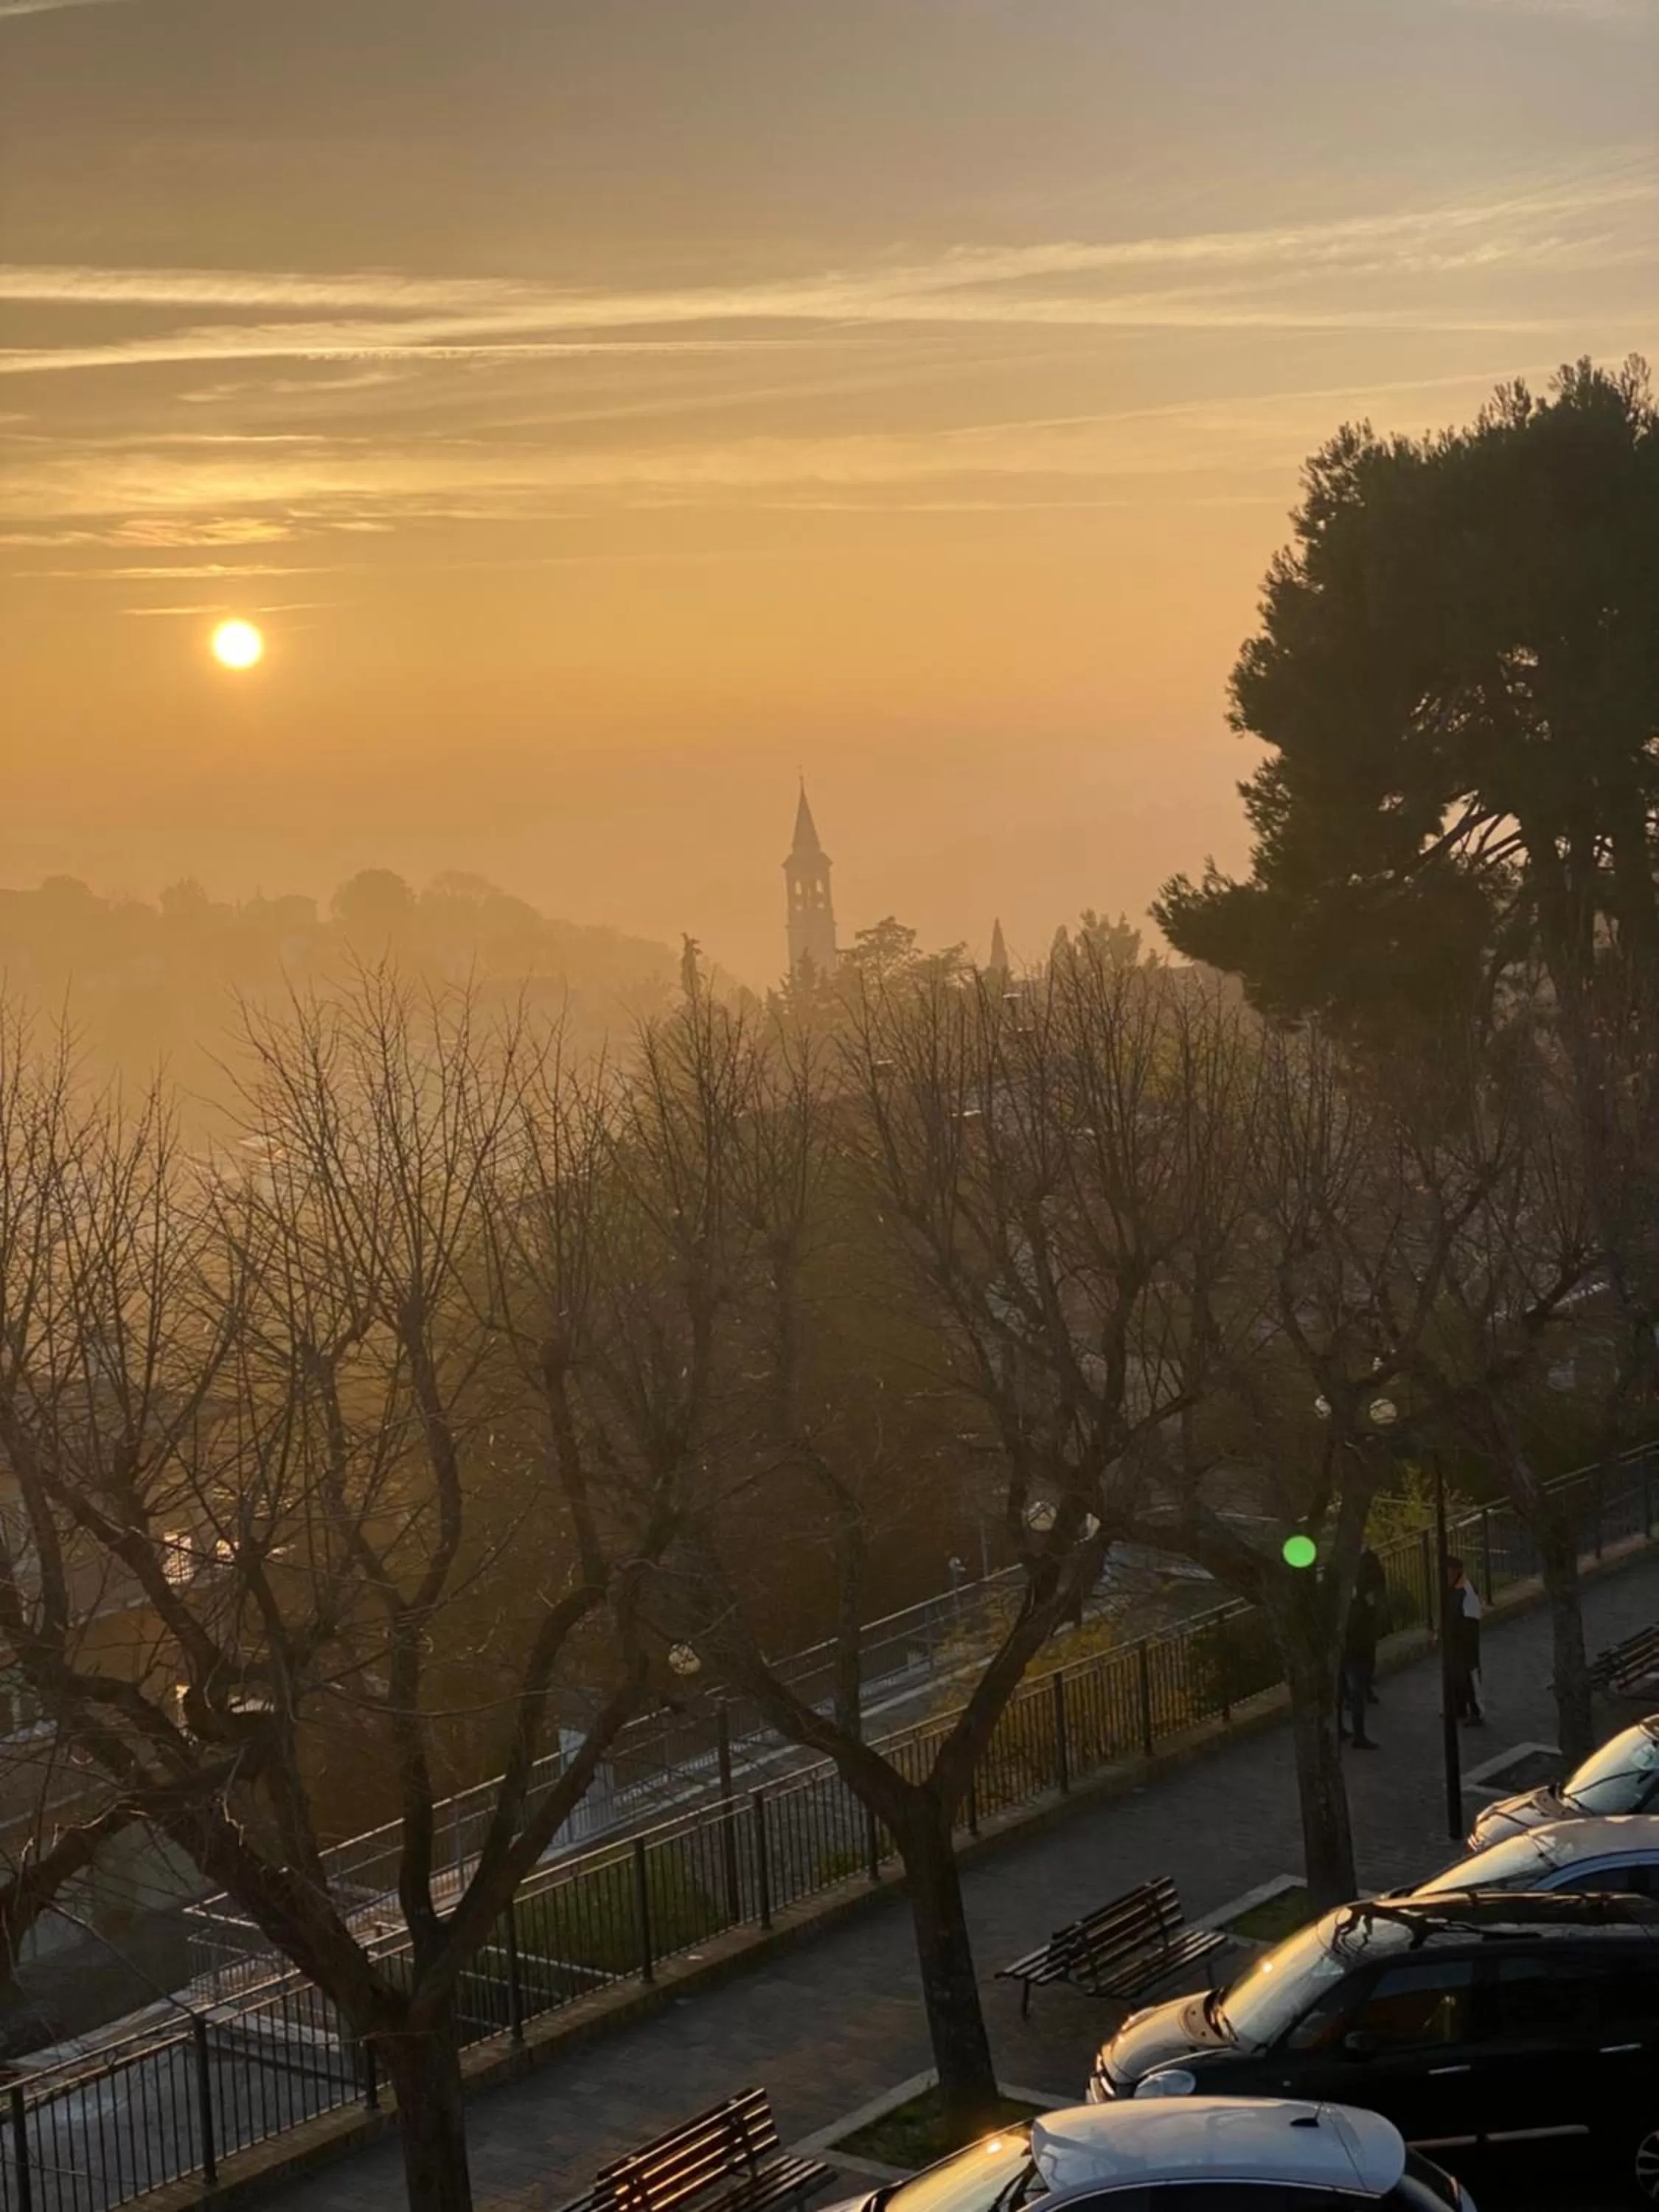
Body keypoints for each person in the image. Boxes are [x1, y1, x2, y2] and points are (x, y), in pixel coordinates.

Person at [1340, 1551, 1382, 1750]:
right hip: (1357, 1649)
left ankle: (1341, 1729)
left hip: (1343, 1648)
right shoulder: (1364, 1600)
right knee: (1357, 1693)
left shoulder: (1343, 1593)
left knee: (1341, 1690)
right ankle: (1359, 1735)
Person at [1446, 1557, 1485, 1725]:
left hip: (1465, 1642)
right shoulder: (1452, 1588)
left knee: (1468, 1674)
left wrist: (1462, 1639)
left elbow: (1472, 1619)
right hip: (1455, 1640)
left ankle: (1477, 1712)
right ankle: (1459, 1708)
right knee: (1456, 1675)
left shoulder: (1467, 1591)